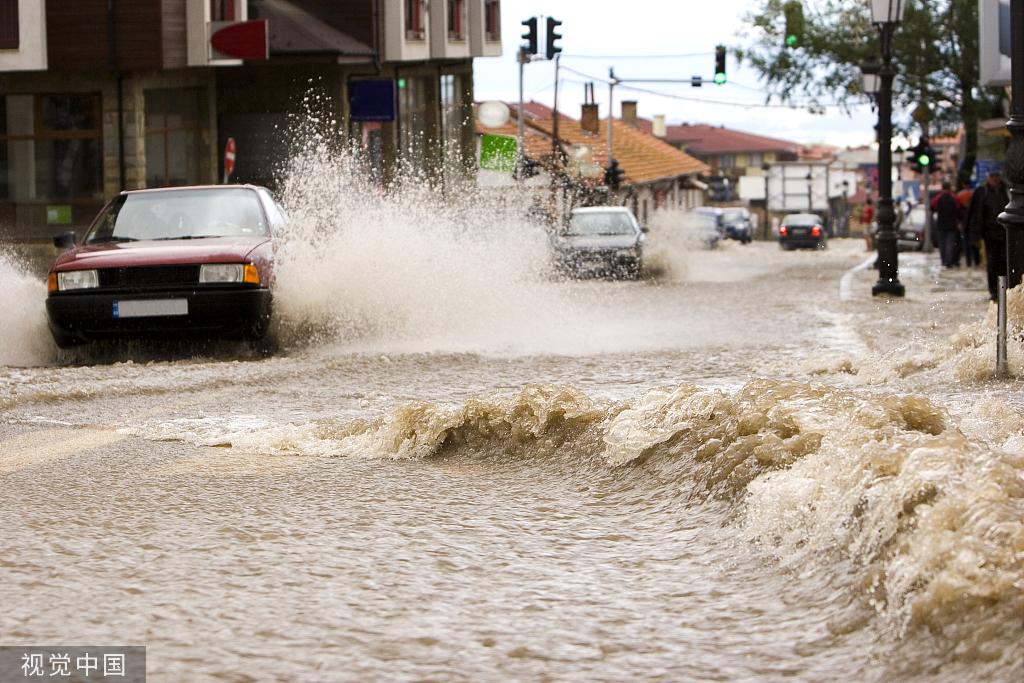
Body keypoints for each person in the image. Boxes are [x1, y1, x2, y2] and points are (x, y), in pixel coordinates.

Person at [968, 167, 1010, 301]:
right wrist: (976, 236)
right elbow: (976, 214)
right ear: (988, 177)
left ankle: (1006, 291)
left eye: (997, 176)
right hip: (990, 236)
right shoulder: (982, 192)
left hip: (1007, 235)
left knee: (1005, 263)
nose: (995, 179)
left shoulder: (1008, 190)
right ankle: (994, 292)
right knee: (992, 264)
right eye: (992, 176)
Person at [931, 181, 961, 267]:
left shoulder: (938, 198)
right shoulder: (954, 197)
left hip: (941, 224)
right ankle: (949, 261)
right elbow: (959, 209)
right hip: (952, 224)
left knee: (942, 243)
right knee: (950, 243)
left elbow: (932, 207)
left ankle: (944, 260)